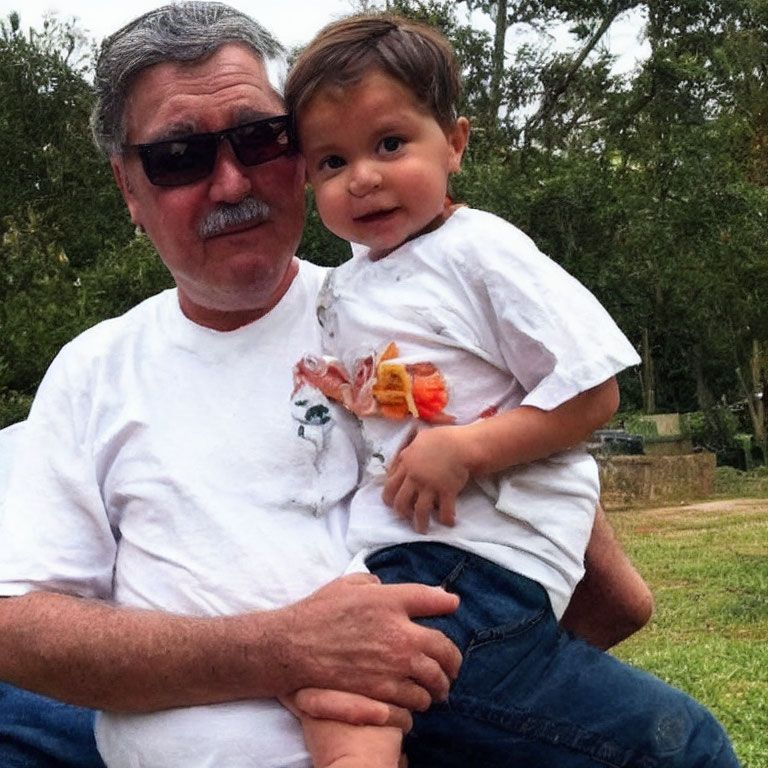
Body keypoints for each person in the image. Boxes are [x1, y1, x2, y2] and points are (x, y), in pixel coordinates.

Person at [0, 4, 650, 767]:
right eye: (179, 155)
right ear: (128, 188)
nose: (231, 180)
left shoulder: (413, 312)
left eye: (261, 138)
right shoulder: (93, 370)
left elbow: (611, 600)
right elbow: (22, 631)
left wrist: (462, 725)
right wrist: (284, 649)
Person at [281, 14, 740, 768]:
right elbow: (410, 391)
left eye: (389, 144)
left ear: (454, 143)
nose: (362, 176)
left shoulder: (480, 250)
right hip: (394, 559)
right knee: (348, 705)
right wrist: (349, 389)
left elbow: (593, 393)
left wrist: (467, 449)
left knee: (685, 748)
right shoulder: (350, 285)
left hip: (480, 563)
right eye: (331, 161)